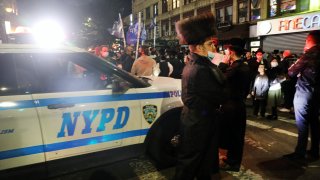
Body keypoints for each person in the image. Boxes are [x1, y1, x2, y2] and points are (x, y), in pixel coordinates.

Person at [174, 13, 226, 180]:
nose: (214, 48)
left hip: (198, 121)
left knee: (203, 160)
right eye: (210, 44)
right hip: (198, 124)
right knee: (190, 162)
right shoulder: (200, 69)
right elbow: (220, 95)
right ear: (198, 47)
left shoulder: (198, 64)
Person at [283, 30, 320, 160]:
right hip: (317, 93)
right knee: (315, 122)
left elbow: (292, 71)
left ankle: (300, 152)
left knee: (302, 123)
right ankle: (315, 150)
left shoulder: (309, 54)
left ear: (310, 40)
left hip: (304, 92)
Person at [218, 40, 251, 172]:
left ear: (231, 52)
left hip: (232, 105)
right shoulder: (244, 66)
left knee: (234, 135)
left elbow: (219, 78)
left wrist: (223, 64)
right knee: (235, 134)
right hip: (238, 104)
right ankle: (232, 159)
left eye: (226, 51)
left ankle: (233, 163)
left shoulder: (235, 68)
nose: (225, 53)